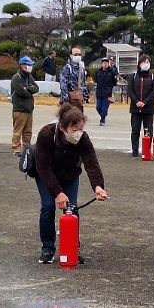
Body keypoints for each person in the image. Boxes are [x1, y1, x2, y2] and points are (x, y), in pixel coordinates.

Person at [33, 104, 108, 264]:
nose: (78, 133)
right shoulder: (46, 134)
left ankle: (73, 248)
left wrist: (98, 186)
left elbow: (91, 162)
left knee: (72, 209)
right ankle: (47, 248)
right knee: (48, 206)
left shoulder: (83, 138)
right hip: (47, 175)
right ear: (62, 127)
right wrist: (58, 193)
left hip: (70, 175)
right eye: (74, 129)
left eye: (81, 129)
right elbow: (43, 168)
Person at [128, 54, 154, 157]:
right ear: (139, 64)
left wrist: (144, 102)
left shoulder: (153, 77)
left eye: (148, 62)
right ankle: (135, 150)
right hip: (135, 109)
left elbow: (153, 91)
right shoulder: (133, 76)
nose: (146, 64)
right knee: (135, 129)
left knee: (148, 130)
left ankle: (146, 150)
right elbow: (130, 90)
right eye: (144, 62)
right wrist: (137, 101)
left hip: (148, 109)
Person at [10, 55, 39, 155]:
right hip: (19, 109)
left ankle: (27, 148)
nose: (31, 67)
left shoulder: (29, 77)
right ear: (23, 66)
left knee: (28, 131)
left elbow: (36, 88)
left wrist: (28, 88)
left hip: (29, 108)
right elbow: (21, 92)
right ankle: (16, 149)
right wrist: (29, 89)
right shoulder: (16, 78)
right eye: (29, 65)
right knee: (18, 130)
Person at [93, 56, 117, 125]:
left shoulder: (112, 71)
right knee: (98, 107)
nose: (105, 64)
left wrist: (110, 88)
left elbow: (114, 81)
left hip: (107, 93)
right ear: (101, 64)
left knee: (104, 107)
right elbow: (96, 80)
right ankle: (103, 115)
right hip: (99, 92)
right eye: (104, 63)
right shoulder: (98, 72)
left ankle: (102, 119)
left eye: (106, 63)